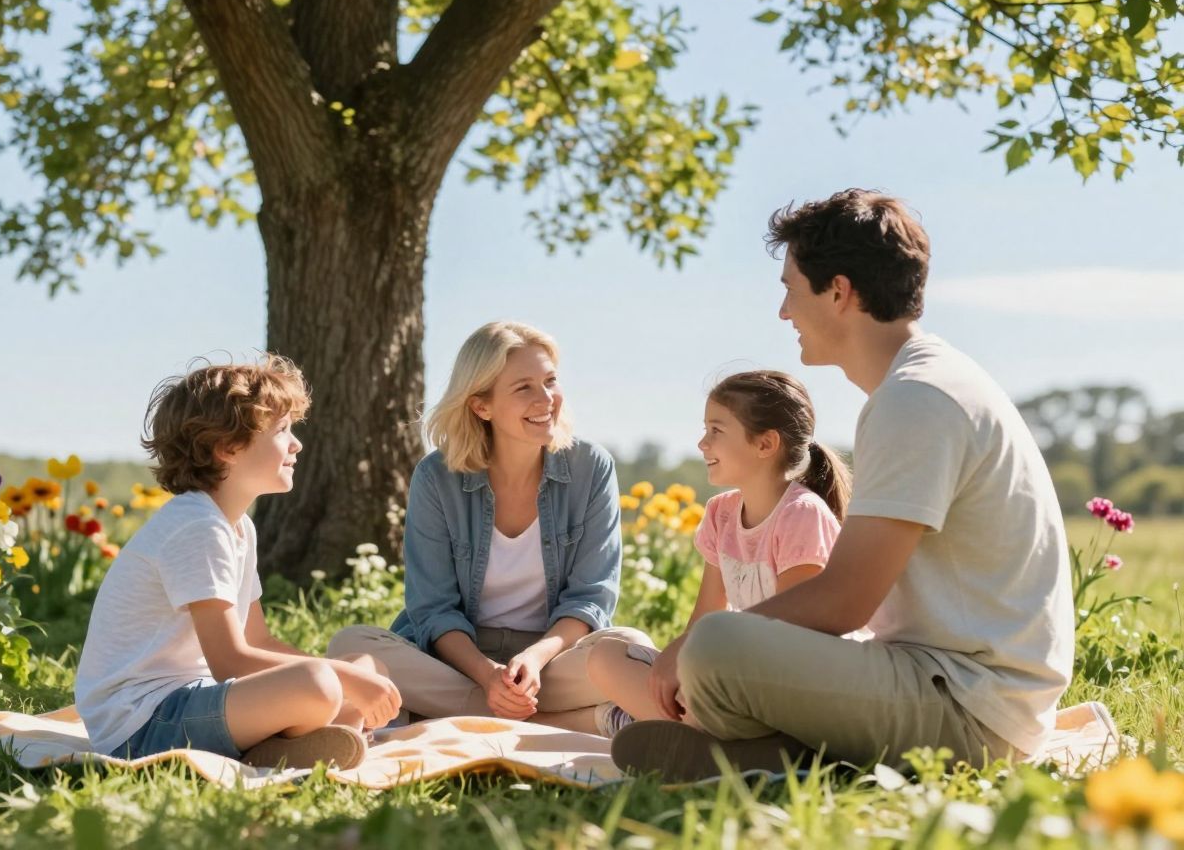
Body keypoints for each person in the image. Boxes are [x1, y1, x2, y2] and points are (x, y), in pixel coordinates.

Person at [612, 189, 1075, 782]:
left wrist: (691, 646)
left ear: (838, 292)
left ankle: (778, 759)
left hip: (971, 708)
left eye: (790, 289)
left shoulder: (917, 398)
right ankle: (794, 764)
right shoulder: (922, 384)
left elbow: (845, 598)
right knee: (707, 648)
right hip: (954, 687)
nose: (784, 312)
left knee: (714, 647)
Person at [328, 321, 654, 735]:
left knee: (633, 650)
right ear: (482, 406)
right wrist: (487, 676)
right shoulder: (437, 477)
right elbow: (433, 608)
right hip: (458, 661)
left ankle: (429, 715)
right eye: (524, 388)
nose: (546, 399)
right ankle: (581, 721)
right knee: (350, 645)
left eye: (550, 381)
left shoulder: (591, 467)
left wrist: (534, 659)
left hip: (551, 661)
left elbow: (590, 598)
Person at [75, 357, 401, 768]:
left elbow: (258, 642)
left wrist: (348, 676)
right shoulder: (197, 526)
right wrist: (341, 679)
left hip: (197, 700)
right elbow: (229, 660)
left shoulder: (238, 527)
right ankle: (305, 739)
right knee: (325, 682)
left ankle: (298, 743)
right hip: (142, 724)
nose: (297, 444)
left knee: (367, 665)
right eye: (282, 431)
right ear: (228, 448)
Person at [587, 370, 851, 733]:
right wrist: (678, 665)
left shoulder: (801, 515)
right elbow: (703, 618)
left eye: (716, 430)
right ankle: (687, 731)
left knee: (697, 693)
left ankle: (668, 729)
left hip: (789, 683)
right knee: (607, 655)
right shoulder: (721, 513)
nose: (702, 443)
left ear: (765, 444)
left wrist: (702, 672)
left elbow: (791, 637)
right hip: (735, 671)